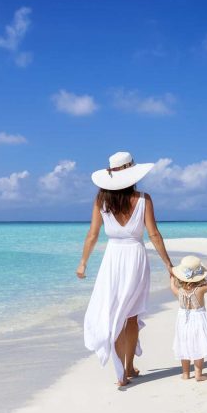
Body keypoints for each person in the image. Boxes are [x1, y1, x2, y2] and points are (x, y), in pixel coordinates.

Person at [79, 151, 174, 387]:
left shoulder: (101, 201)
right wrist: (168, 264)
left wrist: (83, 262)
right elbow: (154, 235)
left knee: (117, 316)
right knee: (130, 316)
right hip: (136, 258)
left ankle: (121, 372)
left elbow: (92, 235)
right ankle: (129, 367)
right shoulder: (144, 199)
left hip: (112, 260)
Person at [169, 255, 207, 382]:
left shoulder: (179, 291)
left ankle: (186, 373)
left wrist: (172, 277)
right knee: (199, 345)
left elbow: (172, 286)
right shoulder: (201, 289)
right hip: (198, 319)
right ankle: (198, 374)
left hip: (183, 320)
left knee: (184, 344)